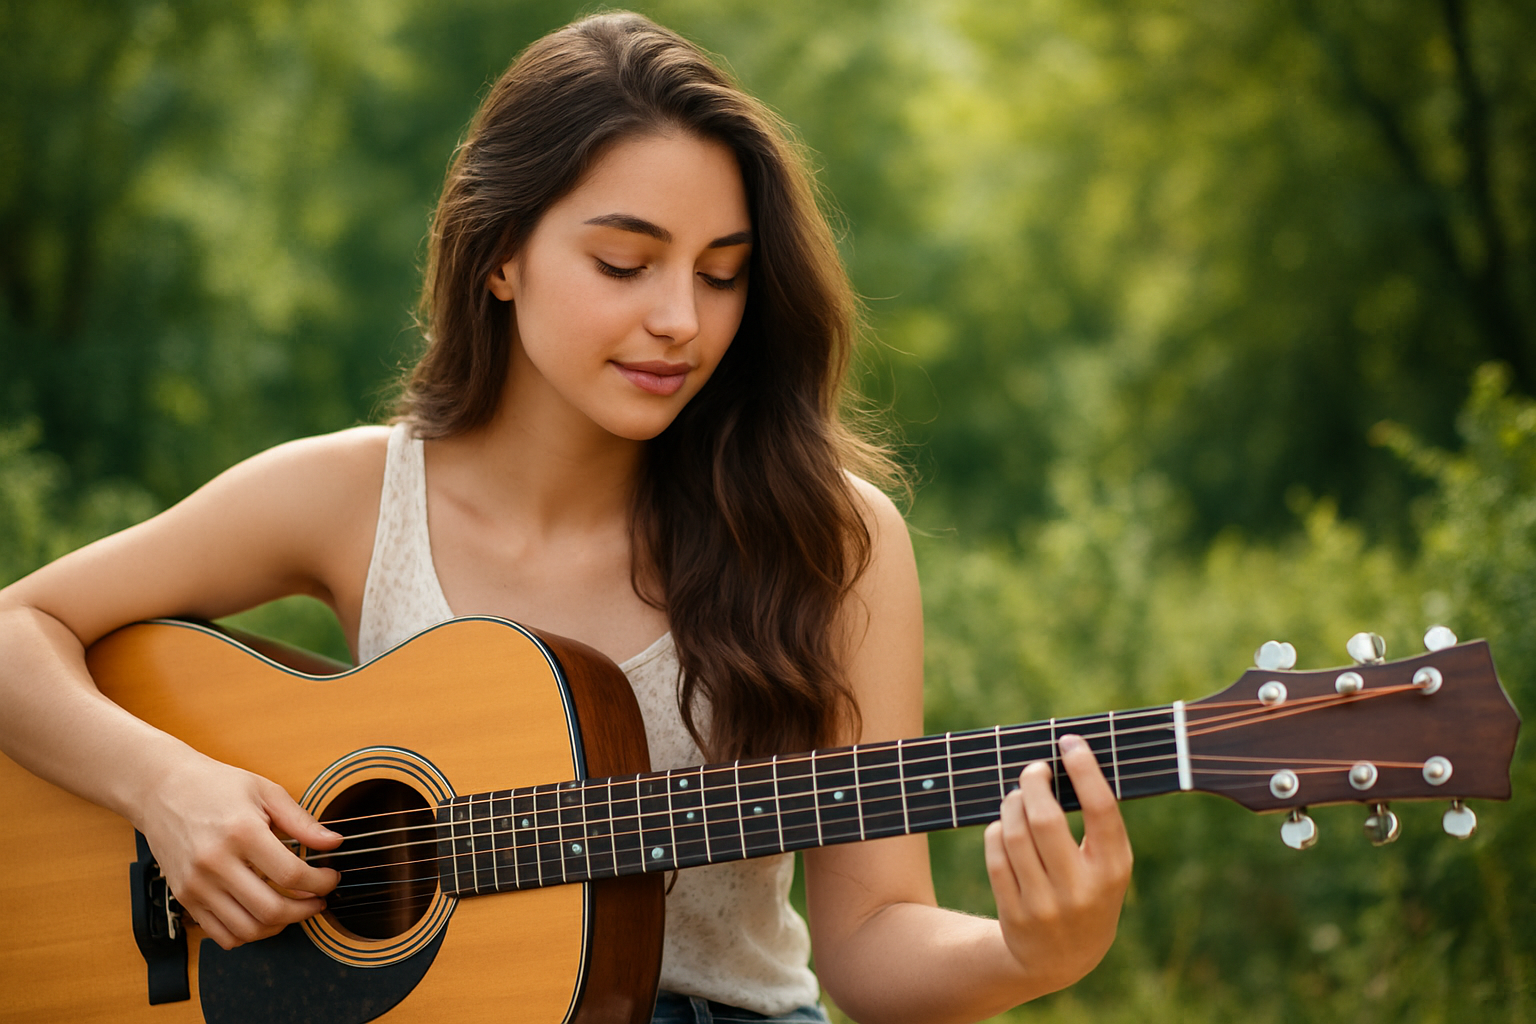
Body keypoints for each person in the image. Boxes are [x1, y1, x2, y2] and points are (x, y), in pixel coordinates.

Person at [0, 12, 1131, 1024]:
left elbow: (874, 944)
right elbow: (19, 631)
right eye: (625, 261)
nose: (681, 319)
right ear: (499, 255)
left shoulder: (831, 537)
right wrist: (168, 788)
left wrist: (1029, 953)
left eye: (724, 273)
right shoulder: (353, 497)